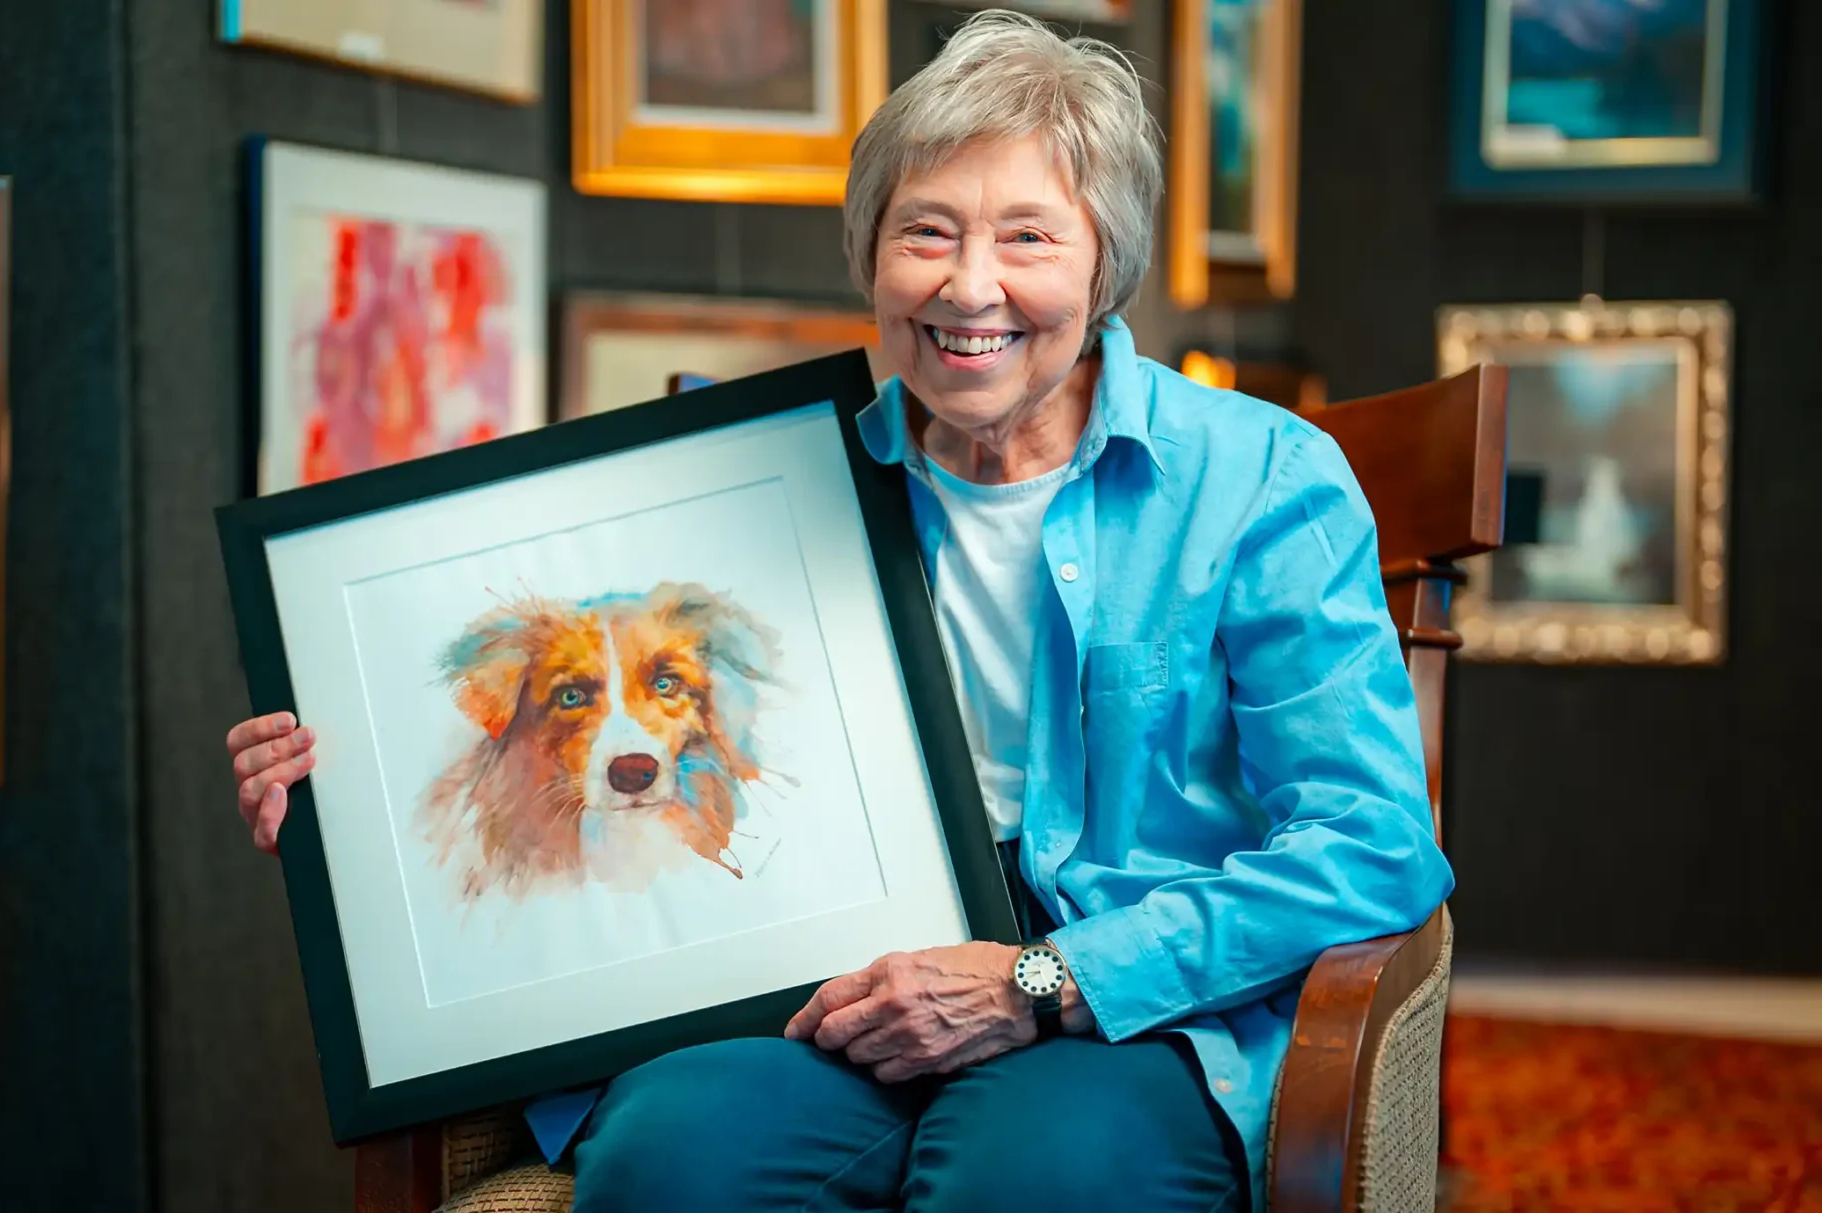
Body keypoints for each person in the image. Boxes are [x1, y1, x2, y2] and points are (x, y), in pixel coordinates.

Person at [223, 10, 1452, 1211]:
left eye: (1028, 236)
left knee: (1024, 1175)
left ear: (1105, 264)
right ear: (870, 258)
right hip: (824, 990)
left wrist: (1043, 976)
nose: (971, 289)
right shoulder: (759, 492)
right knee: (667, 1161)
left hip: (1130, 1004)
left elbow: (1372, 844)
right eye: (926, 232)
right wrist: (356, 809)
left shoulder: (1261, 480)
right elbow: (569, 730)